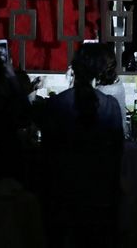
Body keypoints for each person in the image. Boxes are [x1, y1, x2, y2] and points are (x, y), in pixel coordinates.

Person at [39, 43, 124, 248]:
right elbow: (117, 153)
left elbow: (47, 152)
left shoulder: (56, 104)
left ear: (74, 69)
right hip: (100, 194)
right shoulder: (110, 105)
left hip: (62, 195)